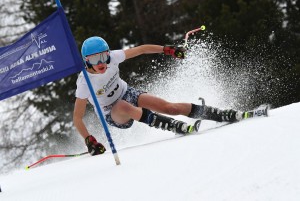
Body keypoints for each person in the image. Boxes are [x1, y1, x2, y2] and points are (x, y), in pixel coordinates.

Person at [73, 36, 261, 156]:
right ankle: (173, 126)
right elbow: (77, 117)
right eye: (95, 59)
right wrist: (89, 140)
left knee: (169, 107)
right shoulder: (84, 82)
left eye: (104, 56)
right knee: (123, 106)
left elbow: (141, 49)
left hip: (127, 93)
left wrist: (166, 49)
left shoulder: (112, 58)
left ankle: (220, 113)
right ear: (86, 61)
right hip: (111, 113)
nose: (101, 62)